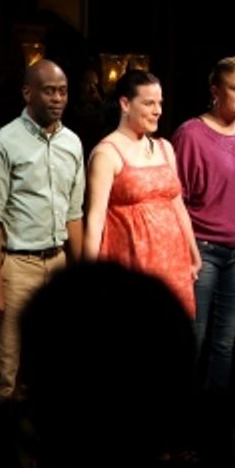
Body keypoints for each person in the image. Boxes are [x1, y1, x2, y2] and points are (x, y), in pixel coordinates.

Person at [0, 59, 84, 402]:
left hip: (57, 263)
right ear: (28, 93)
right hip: (16, 266)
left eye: (63, 91)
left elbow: (74, 215)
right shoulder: (4, 142)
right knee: (4, 372)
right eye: (49, 91)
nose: (57, 98)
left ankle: (41, 453)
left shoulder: (72, 143)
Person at [171, 57, 235, 396]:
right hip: (203, 250)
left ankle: (212, 426)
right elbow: (175, 197)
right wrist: (191, 251)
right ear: (215, 91)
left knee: (224, 344)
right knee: (192, 339)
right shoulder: (191, 134)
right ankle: (180, 427)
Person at [84, 69, 200, 315]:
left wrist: (193, 251)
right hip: (131, 264)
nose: (157, 110)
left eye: (159, 103)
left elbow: (177, 205)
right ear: (125, 104)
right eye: (149, 103)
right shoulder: (107, 153)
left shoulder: (164, 147)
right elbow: (95, 220)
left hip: (172, 263)